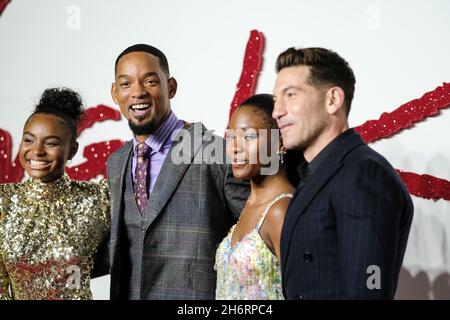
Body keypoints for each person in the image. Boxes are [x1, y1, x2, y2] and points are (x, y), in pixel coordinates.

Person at [107, 44, 249, 300]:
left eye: (150, 81)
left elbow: (258, 241)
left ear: (170, 87)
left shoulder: (218, 153)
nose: (137, 92)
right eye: (126, 84)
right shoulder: (116, 162)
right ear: (115, 93)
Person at [272, 47, 414, 299]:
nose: (277, 112)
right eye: (275, 101)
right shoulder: (313, 173)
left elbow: (368, 290)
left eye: (290, 95)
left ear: (333, 100)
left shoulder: (363, 173)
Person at [0, 88, 110, 300]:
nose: (37, 151)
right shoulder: (3, 201)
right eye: (29, 140)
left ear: (72, 150)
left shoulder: (99, 199)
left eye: (51, 143)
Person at [215, 94, 302, 300]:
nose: (235, 148)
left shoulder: (282, 211)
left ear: (280, 142)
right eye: (231, 136)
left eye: (249, 137)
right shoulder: (250, 204)